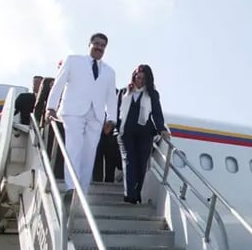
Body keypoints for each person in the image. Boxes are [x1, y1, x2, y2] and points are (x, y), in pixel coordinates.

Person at [46, 33, 117, 198]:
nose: (99, 47)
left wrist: (112, 119)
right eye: (97, 44)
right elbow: (59, 83)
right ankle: (71, 187)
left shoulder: (109, 72)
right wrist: (51, 107)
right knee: (74, 147)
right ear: (89, 44)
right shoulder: (73, 61)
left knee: (89, 153)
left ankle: (81, 192)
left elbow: (111, 97)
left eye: (103, 46)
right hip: (73, 111)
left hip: (96, 116)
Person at [116, 64, 169, 204]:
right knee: (129, 161)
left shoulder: (152, 94)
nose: (139, 80)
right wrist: (116, 128)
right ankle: (129, 195)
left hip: (145, 134)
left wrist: (161, 129)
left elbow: (157, 113)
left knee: (141, 165)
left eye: (143, 79)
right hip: (126, 132)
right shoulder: (123, 92)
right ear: (133, 77)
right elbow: (117, 112)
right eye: (138, 77)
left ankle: (137, 193)